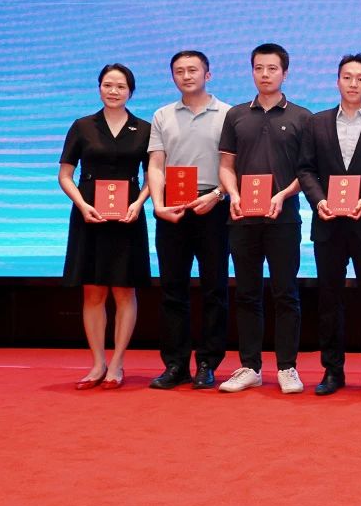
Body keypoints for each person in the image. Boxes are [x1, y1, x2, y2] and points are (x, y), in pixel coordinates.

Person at [296, 54, 361, 397]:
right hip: (328, 224)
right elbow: (305, 169)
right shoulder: (316, 123)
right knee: (329, 300)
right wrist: (319, 201)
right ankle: (332, 370)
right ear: (337, 81)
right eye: (347, 77)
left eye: (360, 78)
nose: (353, 84)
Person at [216, 44, 312, 394]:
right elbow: (226, 165)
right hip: (243, 218)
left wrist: (282, 195)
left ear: (285, 72)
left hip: (283, 218)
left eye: (272, 68)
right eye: (259, 68)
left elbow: (307, 171)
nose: (265, 74)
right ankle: (249, 366)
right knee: (246, 293)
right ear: (252, 72)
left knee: (286, 293)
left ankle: (287, 366)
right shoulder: (236, 115)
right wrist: (234, 194)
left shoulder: (302, 117)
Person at [57, 63, 151, 389]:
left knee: (125, 290)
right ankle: (98, 363)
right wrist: (82, 205)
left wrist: (139, 204)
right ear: (99, 88)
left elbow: (153, 175)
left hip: (128, 217)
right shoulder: (82, 126)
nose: (113, 91)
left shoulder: (144, 128)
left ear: (130, 92)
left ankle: (118, 364)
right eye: (108, 85)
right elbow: (65, 175)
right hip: (90, 216)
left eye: (121, 86)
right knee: (93, 290)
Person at [146, 50, 231, 390]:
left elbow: (233, 165)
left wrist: (218, 196)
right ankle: (176, 364)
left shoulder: (228, 114)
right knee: (172, 289)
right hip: (173, 208)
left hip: (213, 205)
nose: (186, 76)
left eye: (193, 70)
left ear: (207, 75)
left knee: (215, 288)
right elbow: (156, 164)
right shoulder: (162, 115)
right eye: (179, 71)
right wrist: (157, 204)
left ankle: (208, 363)